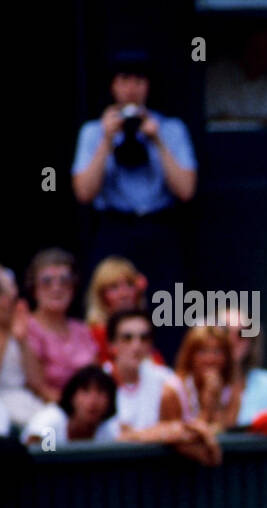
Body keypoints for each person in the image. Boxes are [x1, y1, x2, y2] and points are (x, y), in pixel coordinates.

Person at [72, 50, 196, 361]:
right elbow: (84, 193)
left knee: (169, 308)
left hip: (159, 227)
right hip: (115, 227)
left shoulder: (171, 129)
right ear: (113, 86)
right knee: (109, 303)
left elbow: (186, 189)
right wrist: (106, 141)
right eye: (124, 80)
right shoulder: (92, 132)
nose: (132, 89)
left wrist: (156, 141)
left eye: (139, 81)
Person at [103, 309, 221, 464]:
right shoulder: (96, 382)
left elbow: (185, 431)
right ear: (112, 344)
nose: (136, 346)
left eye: (144, 338)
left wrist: (135, 435)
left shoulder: (166, 380)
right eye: (127, 338)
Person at [21, 250, 98, 404]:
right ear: (34, 288)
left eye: (65, 281)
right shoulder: (26, 328)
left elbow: (96, 378)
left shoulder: (82, 330)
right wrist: (71, 408)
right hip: (43, 410)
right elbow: (36, 386)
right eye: (47, 281)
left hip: (88, 412)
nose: (56, 288)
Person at [21, 365, 119, 447]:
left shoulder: (108, 427)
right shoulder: (52, 420)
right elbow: (34, 449)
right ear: (72, 396)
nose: (93, 401)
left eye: (100, 392)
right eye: (86, 391)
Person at [84, 256, 157, 365]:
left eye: (129, 285)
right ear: (101, 295)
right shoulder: (93, 336)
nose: (124, 294)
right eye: (114, 287)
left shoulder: (143, 331)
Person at [0, 265, 44, 427]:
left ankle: (49, 451)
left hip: (22, 400)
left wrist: (22, 340)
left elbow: (36, 383)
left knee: (52, 420)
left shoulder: (20, 329)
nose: (7, 301)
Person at [174, 325, 239, 428]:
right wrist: (206, 406)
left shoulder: (233, 391)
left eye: (217, 352)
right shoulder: (173, 391)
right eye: (202, 351)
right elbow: (176, 436)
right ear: (190, 356)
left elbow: (226, 431)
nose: (210, 359)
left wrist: (215, 400)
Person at [223, 306, 267, 426]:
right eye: (225, 331)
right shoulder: (189, 383)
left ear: (252, 341)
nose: (232, 340)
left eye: (241, 334)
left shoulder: (266, 383)